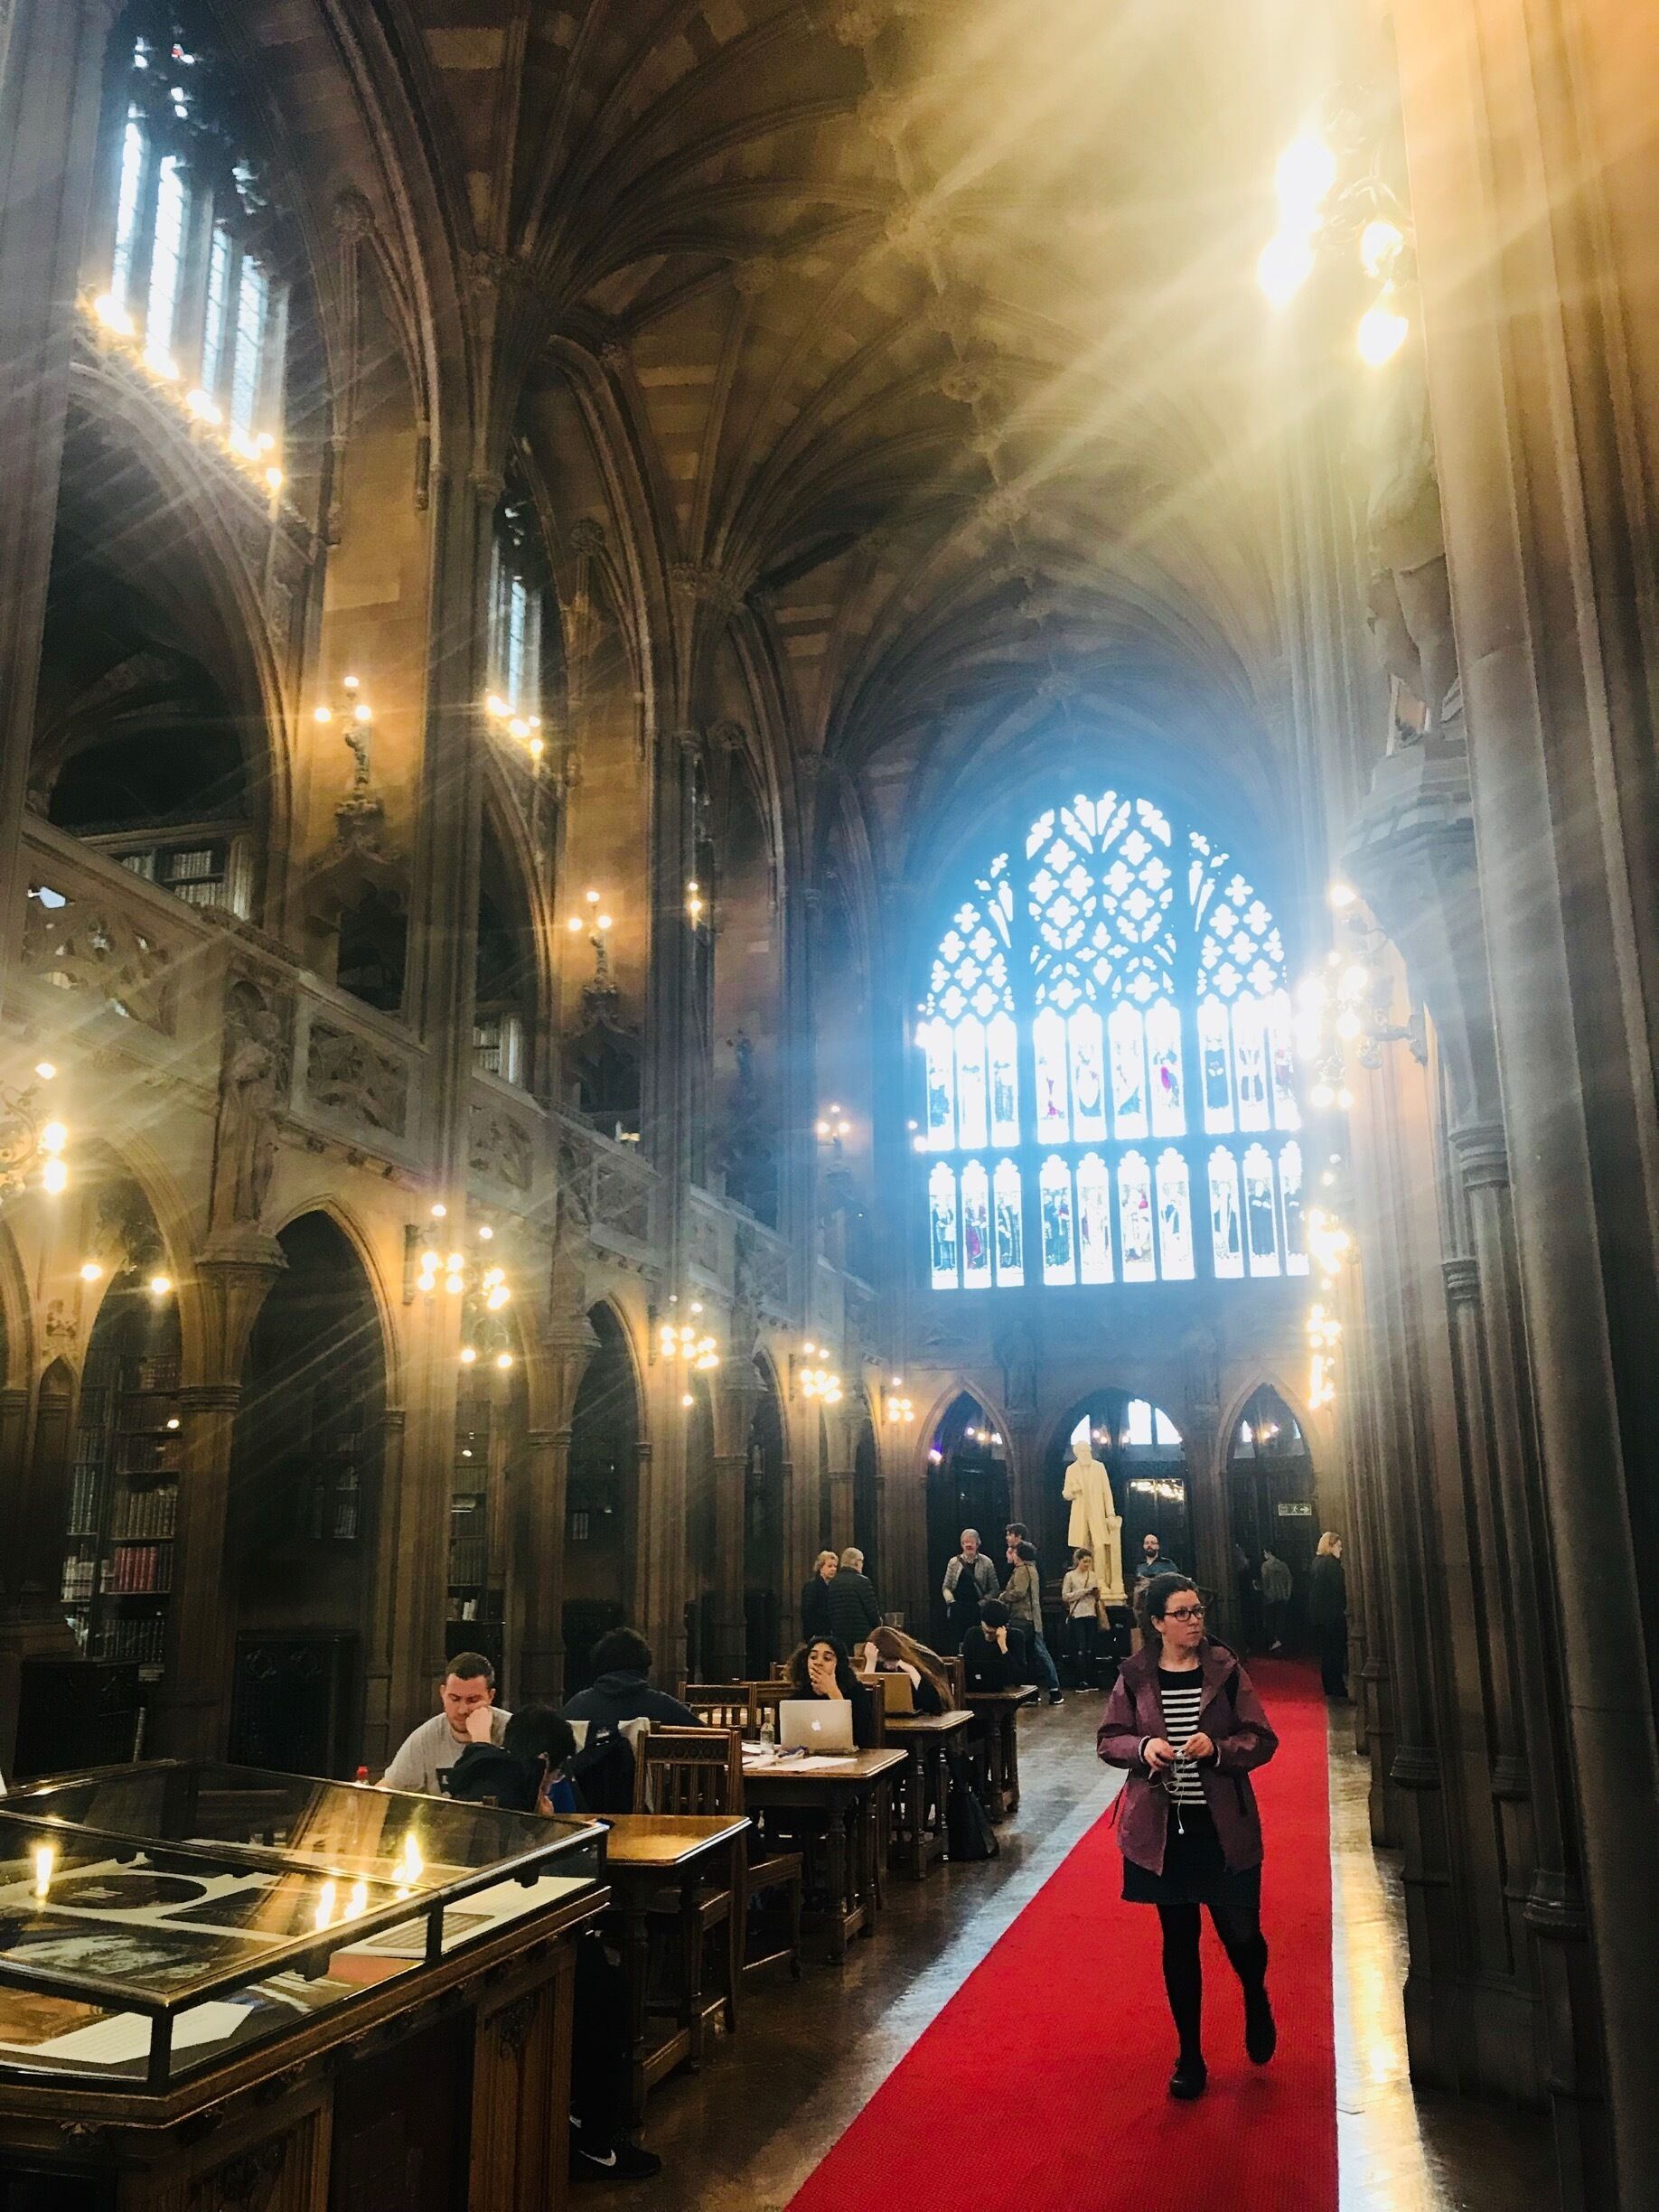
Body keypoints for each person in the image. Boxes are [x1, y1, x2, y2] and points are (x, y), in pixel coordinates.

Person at [446, 1709, 661, 2185]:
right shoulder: (510, 1788)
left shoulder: (482, 1775)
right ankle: (595, 2140)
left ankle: (578, 2119)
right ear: (545, 1762)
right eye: (556, 1772)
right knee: (608, 1992)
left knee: (600, 1979)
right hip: (520, 1944)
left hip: (488, 1933)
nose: (556, 1782)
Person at [1098, 1575, 1279, 2101]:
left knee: (1241, 1935)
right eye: (1181, 1612)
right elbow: (1110, 1739)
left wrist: (1219, 1749)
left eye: (1198, 1609)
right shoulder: (1135, 1676)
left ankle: (1254, 1991)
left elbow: (1262, 1738)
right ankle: (1190, 2054)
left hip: (1223, 1826)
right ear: (1157, 1623)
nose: (1194, 1619)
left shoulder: (1226, 1669)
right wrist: (1144, 1747)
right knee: (1179, 1940)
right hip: (1164, 1831)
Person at [380, 1653, 510, 1793]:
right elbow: (388, 1787)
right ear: (442, 1693)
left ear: (490, 1696)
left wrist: (482, 1740)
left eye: (473, 1700)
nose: (462, 1710)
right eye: (454, 1699)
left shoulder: (513, 1730)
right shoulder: (427, 1737)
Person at [562, 1627, 699, 1732]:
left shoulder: (576, 1707)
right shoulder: (665, 1707)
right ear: (645, 1665)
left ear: (598, 1665)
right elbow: (708, 1744)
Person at [789, 1634, 878, 1748]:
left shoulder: (856, 1691)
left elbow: (863, 1739)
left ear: (838, 1664)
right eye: (813, 1657)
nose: (818, 1662)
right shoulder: (800, 1692)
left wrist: (833, 1691)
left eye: (827, 1659)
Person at [1002, 1537, 1063, 1703]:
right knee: (1036, 1654)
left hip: (1023, 1617)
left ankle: (1046, 1690)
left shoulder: (1022, 1570)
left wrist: (1003, 1596)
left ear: (1020, 1555)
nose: (1012, 1555)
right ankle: (1042, 1691)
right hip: (1033, 1617)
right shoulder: (1032, 1569)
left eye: (1014, 1552)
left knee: (1032, 1655)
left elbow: (1019, 1592)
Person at [866, 1624, 951, 1713]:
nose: (888, 1667)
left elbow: (934, 1706)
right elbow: (866, 1706)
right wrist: (870, 1664)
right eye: (883, 1663)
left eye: (888, 1661)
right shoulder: (876, 1665)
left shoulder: (926, 1660)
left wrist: (911, 1671)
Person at [942, 1528, 999, 1649]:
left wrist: (982, 1603)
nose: (968, 1545)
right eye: (965, 1542)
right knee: (956, 1641)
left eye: (971, 1541)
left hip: (977, 1609)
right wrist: (951, 1602)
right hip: (958, 1609)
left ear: (978, 1543)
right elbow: (946, 1587)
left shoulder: (987, 1563)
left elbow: (995, 1589)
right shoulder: (953, 1562)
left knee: (976, 1642)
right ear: (962, 1544)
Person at [1309, 1531, 1349, 1698]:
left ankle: (1329, 1685)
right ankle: (1337, 1686)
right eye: (1338, 1546)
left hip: (1320, 1616)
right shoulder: (1331, 1565)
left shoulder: (1317, 1563)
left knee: (1327, 1652)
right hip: (1332, 1615)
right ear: (1330, 1546)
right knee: (1335, 1652)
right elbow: (1339, 1588)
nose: (1341, 1549)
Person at [961, 1598, 1027, 1692]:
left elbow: (1019, 1678)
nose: (989, 1636)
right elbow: (964, 1668)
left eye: (992, 1633)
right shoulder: (973, 1634)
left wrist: (1003, 1647)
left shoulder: (1015, 1637)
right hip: (975, 1688)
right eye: (986, 1631)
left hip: (1006, 1691)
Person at [825, 1546, 881, 1649]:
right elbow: (872, 1611)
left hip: (839, 1637)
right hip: (861, 1636)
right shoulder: (862, 1582)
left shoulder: (832, 1583)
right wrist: (878, 1627)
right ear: (857, 1562)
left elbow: (830, 1611)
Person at [1062, 1547, 1101, 1685]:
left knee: (1091, 1647)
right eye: (1085, 1562)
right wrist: (1082, 1592)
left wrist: (1096, 1593)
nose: (1087, 1565)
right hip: (1077, 1614)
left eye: (1089, 1562)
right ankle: (1081, 1679)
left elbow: (1098, 1597)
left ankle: (1091, 1678)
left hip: (1091, 1613)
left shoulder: (1093, 1575)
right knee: (1080, 1647)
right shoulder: (1070, 1576)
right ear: (1078, 1561)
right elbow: (1065, 1596)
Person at [1259, 1547, 1292, 1651]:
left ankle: (1274, 1642)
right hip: (1282, 1596)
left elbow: (1265, 1582)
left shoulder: (1265, 1566)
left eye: (1265, 1553)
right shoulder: (1283, 1566)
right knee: (1281, 1620)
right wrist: (1287, 1594)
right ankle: (1282, 1642)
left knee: (1270, 1622)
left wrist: (1263, 1591)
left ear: (1269, 1553)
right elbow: (1289, 1581)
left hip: (1270, 1597)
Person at [801, 1550, 839, 1641]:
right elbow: (807, 1612)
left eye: (835, 1566)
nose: (833, 1569)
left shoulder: (833, 1586)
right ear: (821, 1568)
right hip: (816, 1633)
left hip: (828, 1632)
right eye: (830, 1566)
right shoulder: (812, 1586)